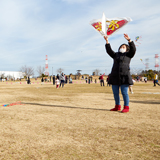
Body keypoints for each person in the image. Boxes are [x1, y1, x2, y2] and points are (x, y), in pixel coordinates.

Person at [104, 33, 136, 113]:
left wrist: (129, 40)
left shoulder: (129, 55)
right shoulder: (115, 55)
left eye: (124, 47)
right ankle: (117, 106)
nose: (122, 48)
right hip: (114, 76)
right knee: (115, 93)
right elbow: (109, 51)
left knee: (124, 93)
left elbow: (133, 49)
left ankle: (126, 107)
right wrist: (107, 41)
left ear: (127, 49)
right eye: (121, 47)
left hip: (124, 76)